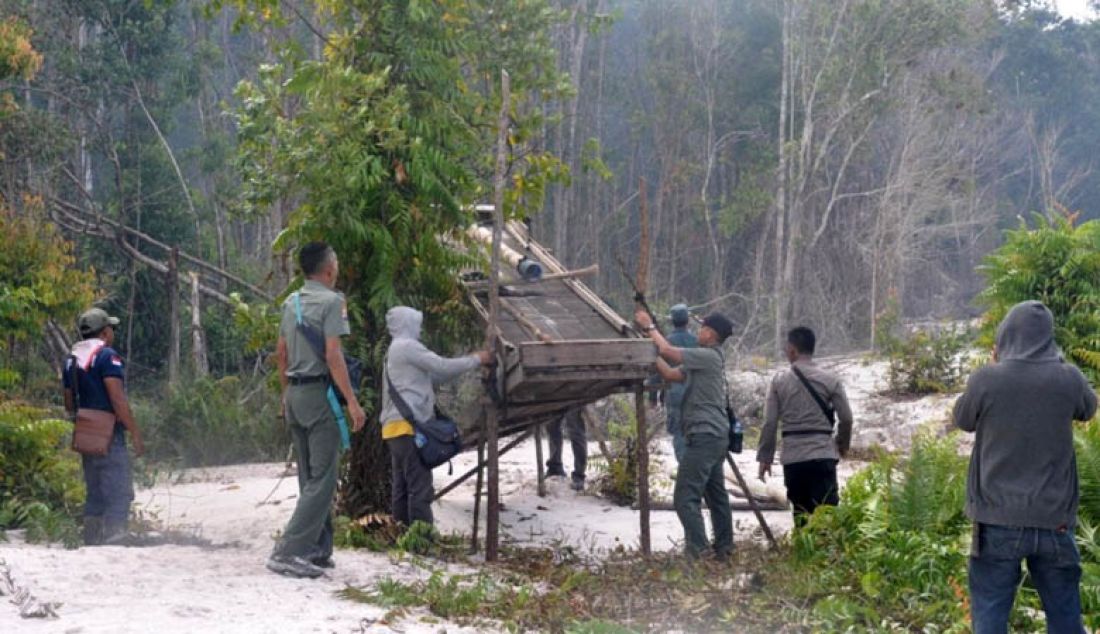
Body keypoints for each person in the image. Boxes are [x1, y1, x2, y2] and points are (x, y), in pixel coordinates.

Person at [954, 301, 1097, 634]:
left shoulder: (987, 378)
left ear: (1006, 333)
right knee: (1064, 614)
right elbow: (1088, 409)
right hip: (1055, 521)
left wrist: (996, 364)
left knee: (990, 613)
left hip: (996, 520)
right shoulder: (1068, 378)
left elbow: (962, 419)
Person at [268, 242, 367, 579]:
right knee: (323, 479)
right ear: (328, 269)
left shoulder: (290, 302)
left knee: (309, 476)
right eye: (336, 259)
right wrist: (352, 401)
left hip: (294, 395)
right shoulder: (332, 302)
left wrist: (284, 396)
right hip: (318, 394)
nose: (338, 264)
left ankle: (317, 550)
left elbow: (281, 353)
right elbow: (334, 355)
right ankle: (289, 550)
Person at [380, 306, 492, 528]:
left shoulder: (394, 350)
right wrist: (476, 359)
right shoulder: (407, 347)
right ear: (407, 324)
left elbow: (433, 377)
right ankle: (422, 540)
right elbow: (442, 366)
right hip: (408, 428)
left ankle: (401, 535)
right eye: (416, 323)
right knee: (420, 488)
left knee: (402, 488)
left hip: (394, 429)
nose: (419, 329)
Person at [636, 308, 734, 560]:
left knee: (684, 498)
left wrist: (649, 327)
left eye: (701, 328)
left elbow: (669, 352)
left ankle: (699, 550)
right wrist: (649, 346)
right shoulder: (703, 360)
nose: (697, 332)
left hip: (705, 435)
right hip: (714, 436)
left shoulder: (708, 356)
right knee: (716, 495)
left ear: (710, 334)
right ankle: (724, 549)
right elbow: (669, 373)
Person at [756, 327, 853, 527]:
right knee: (827, 517)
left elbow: (770, 423)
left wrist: (765, 457)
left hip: (794, 458)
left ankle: (803, 553)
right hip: (823, 455)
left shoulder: (778, 381)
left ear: (792, 350)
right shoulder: (831, 379)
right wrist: (841, 444)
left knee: (801, 515)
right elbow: (846, 418)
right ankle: (825, 556)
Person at [63, 308, 144, 546]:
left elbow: (69, 401)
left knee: (95, 490)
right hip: (109, 434)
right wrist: (136, 434)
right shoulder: (108, 356)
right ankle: (115, 535)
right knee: (118, 489)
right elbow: (118, 400)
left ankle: (91, 538)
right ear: (105, 333)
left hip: (86, 433)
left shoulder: (71, 360)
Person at [664, 304, 698, 462]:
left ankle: (684, 466)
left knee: (678, 432)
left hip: (674, 393)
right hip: (695, 393)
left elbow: (658, 370)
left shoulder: (667, 342)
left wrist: (652, 396)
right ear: (687, 322)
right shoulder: (696, 341)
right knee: (695, 431)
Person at [546, 406, 587, 491]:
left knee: (576, 430)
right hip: (554, 395)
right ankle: (555, 468)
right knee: (552, 426)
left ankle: (579, 475)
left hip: (575, 395)